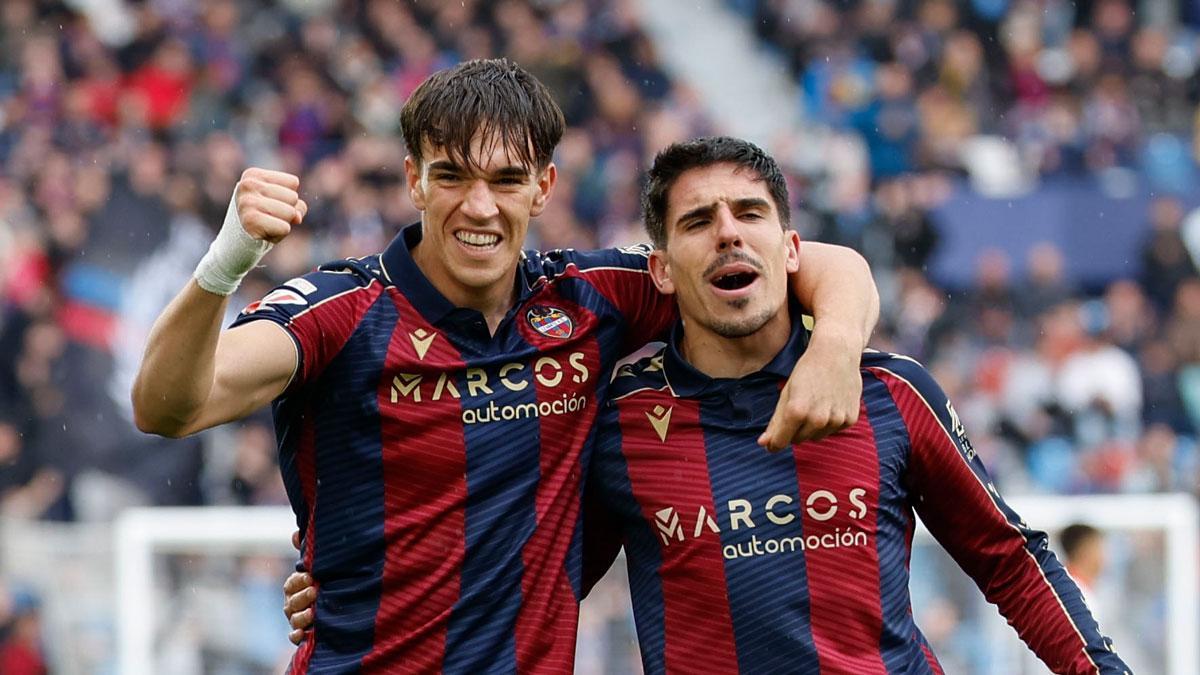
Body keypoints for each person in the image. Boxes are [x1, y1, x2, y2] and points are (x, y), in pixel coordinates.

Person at [133, 60, 881, 672]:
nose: (479, 206)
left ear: (545, 187)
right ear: (414, 180)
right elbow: (168, 406)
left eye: (506, 179)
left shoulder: (590, 299)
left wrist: (836, 348)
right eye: (452, 176)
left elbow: (805, 261)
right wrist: (225, 265)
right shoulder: (344, 309)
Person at [287, 136, 1129, 672]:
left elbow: (1010, 559)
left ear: (790, 250)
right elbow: (523, 574)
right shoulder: (617, 424)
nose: (728, 232)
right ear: (660, 267)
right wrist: (367, 590)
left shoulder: (890, 393)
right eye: (698, 221)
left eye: (750, 213)